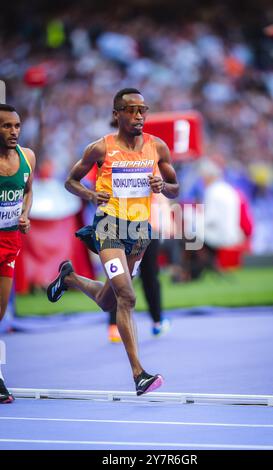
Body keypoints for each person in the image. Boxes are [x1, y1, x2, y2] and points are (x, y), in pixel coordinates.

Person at [47, 88, 179, 395]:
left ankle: (69, 279)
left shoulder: (157, 147)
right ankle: (139, 374)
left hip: (139, 231)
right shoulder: (100, 149)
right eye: (131, 110)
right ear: (116, 114)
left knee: (109, 299)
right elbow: (70, 181)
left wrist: (164, 185)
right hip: (108, 226)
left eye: (142, 110)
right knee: (127, 296)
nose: (138, 116)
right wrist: (91, 195)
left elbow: (175, 187)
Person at [0, 104, 36, 403]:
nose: (13, 132)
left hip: (11, 240)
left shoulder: (28, 157)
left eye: (16, 126)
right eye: (6, 126)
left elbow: (27, 190)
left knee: (0, 313)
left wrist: (25, 214)